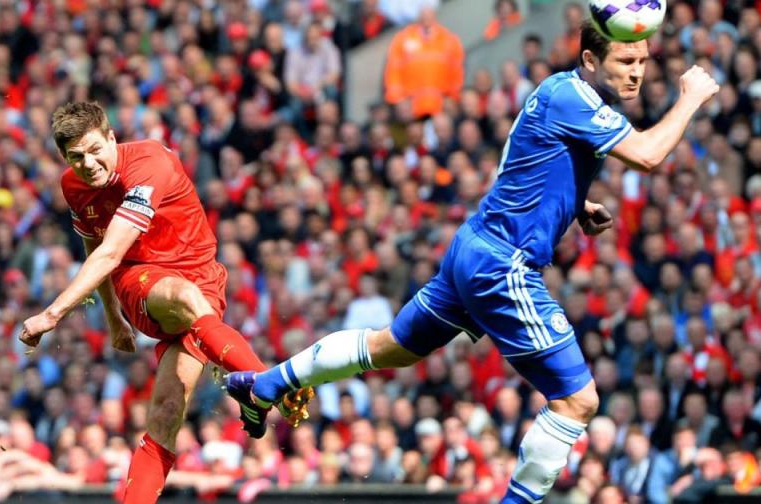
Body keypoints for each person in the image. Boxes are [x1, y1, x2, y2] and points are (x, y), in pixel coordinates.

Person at [228, 21, 719, 503]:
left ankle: (263, 386)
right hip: (503, 266)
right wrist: (691, 97)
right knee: (578, 400)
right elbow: (650, 155)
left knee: (392, 348)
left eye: (643, 61)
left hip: (474, 246)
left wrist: (573, 202)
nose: (637, 72)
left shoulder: (557, 89)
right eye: (626, 61)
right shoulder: (579, 101)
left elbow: (520, 158)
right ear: (591, 60)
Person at [17, 102, 312, 504]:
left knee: (166, 414)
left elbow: (104, 252)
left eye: (93, 149)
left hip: (205, 283)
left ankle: (254, 390)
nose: (87, 164)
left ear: (111, 137)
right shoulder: (73, 186)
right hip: (141, 279)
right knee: (181, 296)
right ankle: (263, 382)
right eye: (75, 157)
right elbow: (99, 248)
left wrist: (52, 314)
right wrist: (112, 316)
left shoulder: (149, 162)